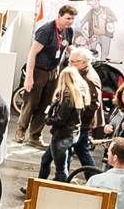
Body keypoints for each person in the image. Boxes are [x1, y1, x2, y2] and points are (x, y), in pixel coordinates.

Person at [22, 5, 79, 146]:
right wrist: (29, 77)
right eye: (67, 18)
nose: (70, 21)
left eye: (72, 19)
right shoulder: (46, 30)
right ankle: (20, 130)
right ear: (59, 16)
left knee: (46, 104)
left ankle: (35, 136)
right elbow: (32, 53)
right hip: (38, 70)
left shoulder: (69, 31)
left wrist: (75, 53)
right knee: (31, 103)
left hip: (54, 71)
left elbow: (67, 46)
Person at [41, 48, 96, 184]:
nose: (70, 63)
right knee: (48, 160)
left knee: (61, 168)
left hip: (62, 135)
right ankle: (38, 185)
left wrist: (48, 119)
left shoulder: (68, 97)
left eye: (73, 61)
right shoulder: (78, 93)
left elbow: (60, 119)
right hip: (71, 133)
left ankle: (60, 188)